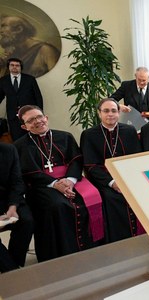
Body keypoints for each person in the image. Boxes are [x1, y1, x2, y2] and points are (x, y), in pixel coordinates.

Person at [13, 105, 99, 262]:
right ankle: (64, 254)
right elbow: (28, 172)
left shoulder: (65, 136)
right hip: (41, 186)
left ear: (46, 117)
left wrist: (70, 180)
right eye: (31, 120)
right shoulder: (19, 146)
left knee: (94, 197)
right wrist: (54, 183)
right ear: (24, 127)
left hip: (70, 180)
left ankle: (91, 247)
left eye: (39, 117)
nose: (37, 121)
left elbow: (76, 159)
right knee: (59, 205)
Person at [80, 98, 143, 243]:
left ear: (119, 112)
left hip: (128, 176)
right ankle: (118, 240)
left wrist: (129, 179)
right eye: (106, 111)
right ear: (99, 113)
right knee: (112, 198)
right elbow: (90, 165)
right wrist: (112, 182)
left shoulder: (129, 130)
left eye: (114, 111)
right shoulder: (89, 134)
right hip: (103, 180)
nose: (110, 114)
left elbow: (136, 158)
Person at [0, 142, 34, 272]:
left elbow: (17, 181)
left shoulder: (8, 150)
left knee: (27, 221)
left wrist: (12, 207)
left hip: (7, 198)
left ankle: (12, 262)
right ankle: (12, 270)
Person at [0, 58, 44, 141]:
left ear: (21, 67)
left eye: (17, 65)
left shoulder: (30, 79)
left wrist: (40, 114)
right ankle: (19, 154)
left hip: (30, 115)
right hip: (13, 116)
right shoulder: (3, 81)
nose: (14, 67)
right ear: (8, 67)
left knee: (33, 138)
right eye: (12, 65)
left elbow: (38, 97)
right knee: (17, 140)